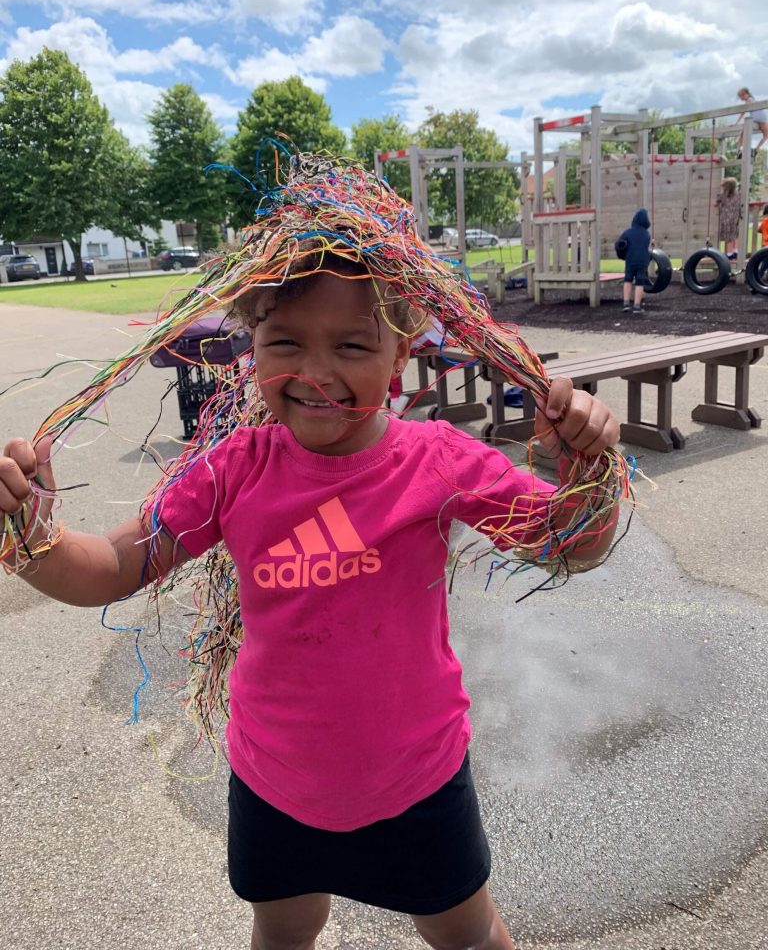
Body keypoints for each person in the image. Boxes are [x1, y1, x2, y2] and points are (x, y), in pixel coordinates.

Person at [0, 204, 620, 950]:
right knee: (286, 930)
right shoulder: (233, 469)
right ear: (250, 347)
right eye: (283, 341)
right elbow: (115, 567)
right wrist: (29, 537)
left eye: (353, 345)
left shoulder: (439, 460)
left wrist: (589, 472)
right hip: (275, 782)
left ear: (401, 354)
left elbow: (572, 545)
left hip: (417, 780)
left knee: (466, 933)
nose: (315, 373)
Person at [615, 208, 651, 314]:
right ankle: (637, 306)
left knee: (628, 280)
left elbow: (619, 243)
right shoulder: (646, 234)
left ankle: (626, 304)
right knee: (640, 282)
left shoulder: (627, 232)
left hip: (630, 260)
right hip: (642, 261)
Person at [736, 87, 768, 158]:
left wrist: (736, 123)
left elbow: (743, 112)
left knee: (743, 134)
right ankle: (756, 149)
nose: (741, 98)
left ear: (746, 94)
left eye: (742, 96)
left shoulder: (749, 100)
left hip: (755, 118)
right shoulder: (753, 99)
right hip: (763, 117)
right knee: (766, 136)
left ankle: (738, 151)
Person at [715, 177, 740, 260]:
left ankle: (729, 253)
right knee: (734, 234)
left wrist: (718, 204)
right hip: (735, 216)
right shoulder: (738, 195)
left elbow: (716, 203)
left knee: (728, 236)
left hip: (726, 217)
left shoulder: (723, 195)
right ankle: (735, 251)